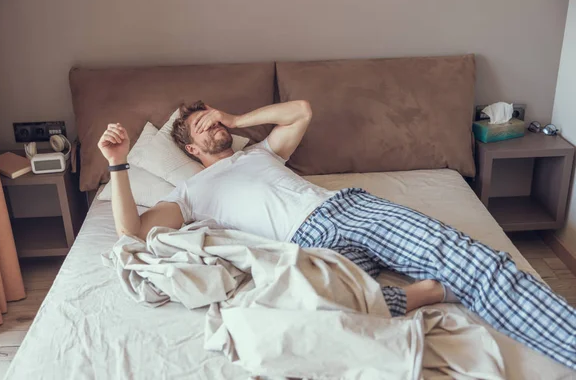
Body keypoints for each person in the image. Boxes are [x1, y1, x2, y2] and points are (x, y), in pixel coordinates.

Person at [99, 100, 575, 370]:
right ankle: (420, 295)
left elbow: (301, 111)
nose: (216, 127)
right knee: (312, 320)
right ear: (189, 147)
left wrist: (238, 121)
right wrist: (117, 163)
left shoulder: (261, 152)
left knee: (473, 262)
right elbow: (133, 233)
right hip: (307, 248)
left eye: (216, 119)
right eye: (204, 127)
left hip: (346, 209)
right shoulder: (189, 192)